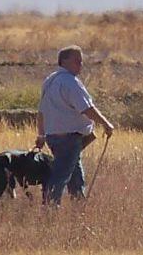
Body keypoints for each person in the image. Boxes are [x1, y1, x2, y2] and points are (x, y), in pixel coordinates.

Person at [36, 45, 114, 206]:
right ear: (64, 61)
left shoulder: (50, 81)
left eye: (81, 61)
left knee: (75, 177)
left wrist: (42, 135)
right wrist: (106, 124)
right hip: (69, 139)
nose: (81, 64)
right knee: (61, 176)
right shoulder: (70, 82)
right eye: (77, 61)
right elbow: (86, 108)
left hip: (54, 138)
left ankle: (79, 208)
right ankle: (49, 210)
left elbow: (41, 111)